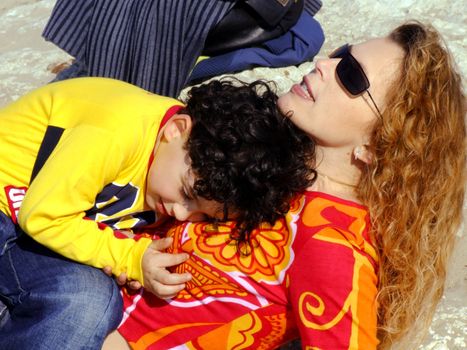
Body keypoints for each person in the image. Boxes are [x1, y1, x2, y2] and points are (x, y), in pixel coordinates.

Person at [103, 21, 466, 349]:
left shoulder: (332, 245)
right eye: (341, 55)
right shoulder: (272, 162)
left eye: (351, 75)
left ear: (378, 145)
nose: (324, 63)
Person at [0, 77, 315, 349]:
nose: (180, 213)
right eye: (187, 193)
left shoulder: (174, 165)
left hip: (32, 238)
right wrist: (129, 257)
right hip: (16, 210)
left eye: (204, 216)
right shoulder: (116, 127)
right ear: (176, 130)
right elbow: (43, 216)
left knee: (90, 302)